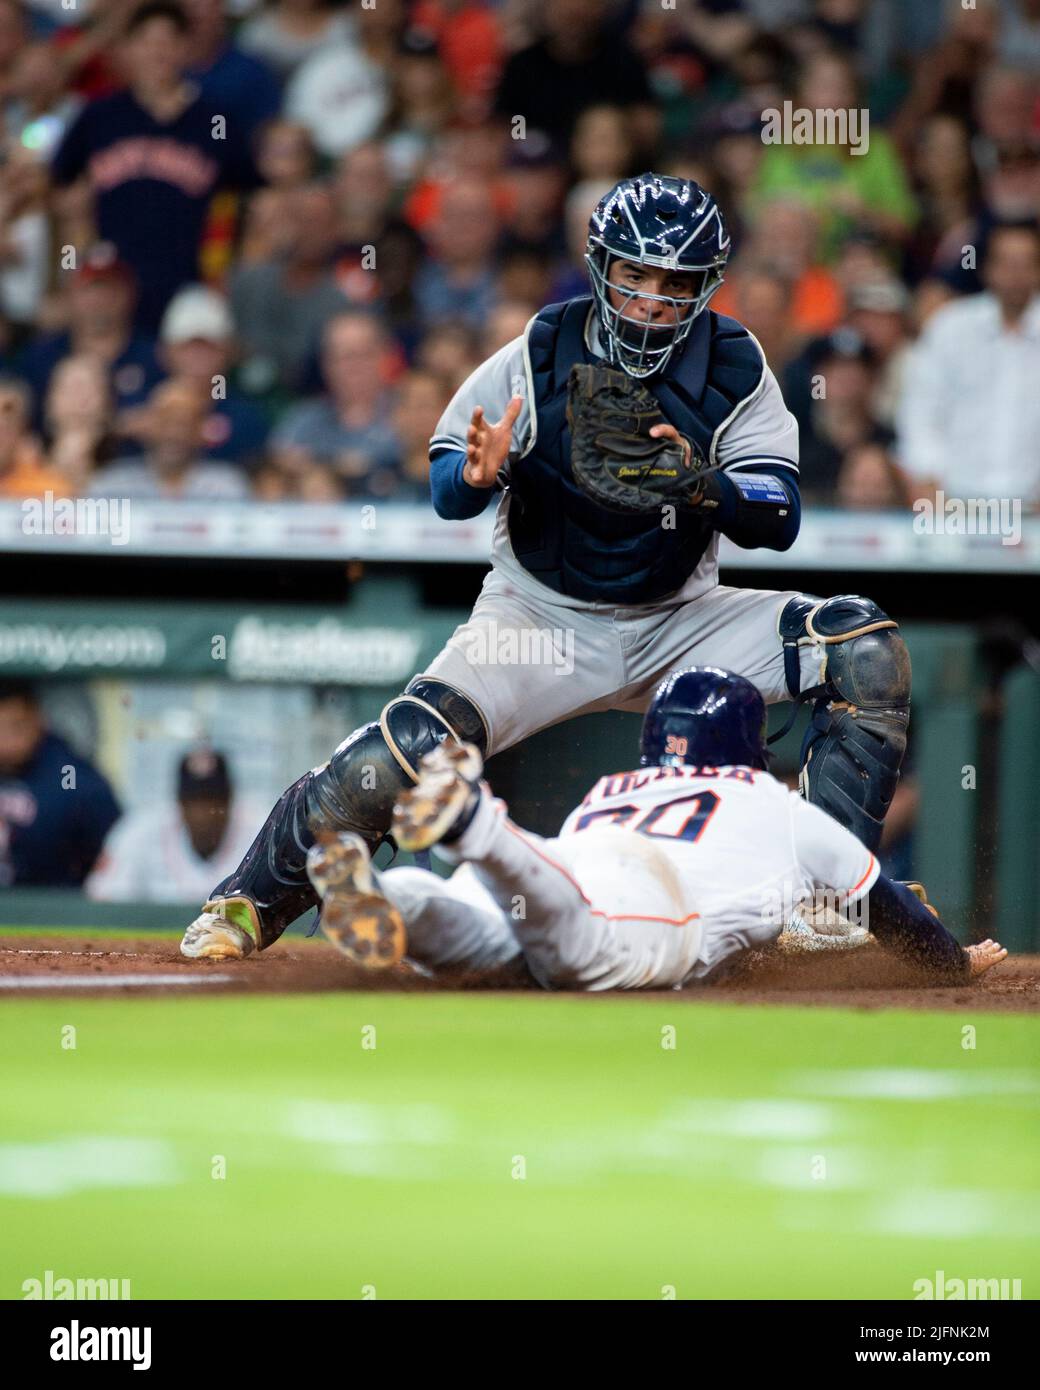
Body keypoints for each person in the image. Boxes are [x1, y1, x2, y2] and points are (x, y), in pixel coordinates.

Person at [179, 173, 917, 966]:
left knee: (862, 651)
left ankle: (825, 901)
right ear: (602, 268)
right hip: (539, 618)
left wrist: (705, 485)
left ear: (706, 287)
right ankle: (244, 905)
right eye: (634, 275)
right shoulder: (540, 350)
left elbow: (780, 514)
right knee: (400, 749)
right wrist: (476, 474)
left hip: (679, 622)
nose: (651, 300)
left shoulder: (736, 365)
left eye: (674, 283)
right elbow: (445, 488)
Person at [299, 667, 1007, 987]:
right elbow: (890, 905)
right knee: (575, 950)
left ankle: (388, 894)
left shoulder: (611, 785)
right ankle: (472, 822)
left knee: (480, 930)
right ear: (743, 740)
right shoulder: (776, 802)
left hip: (567, 858)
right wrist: (953, 964)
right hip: (653, 906)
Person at [897, 220, 1040, 505]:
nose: (1016, 275)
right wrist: (928, 474)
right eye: (1007, 264)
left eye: (1026, 264)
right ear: (988, 269)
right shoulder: (951, 326)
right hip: (953, 501)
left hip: (1033, 507)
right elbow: (920, 409)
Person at [87, 748, 258, 903]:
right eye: (194, 801)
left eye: (214, 800)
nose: (204, 812)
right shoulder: (139, 832)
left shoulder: (263, 833)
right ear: (179, 802)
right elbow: (103, 900)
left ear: (230, 801)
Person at [0, 680, 120, 888]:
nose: (6, 743)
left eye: (16, 727)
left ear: (38, 719)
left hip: (55, 908)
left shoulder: (69, 773)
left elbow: (113, 854)